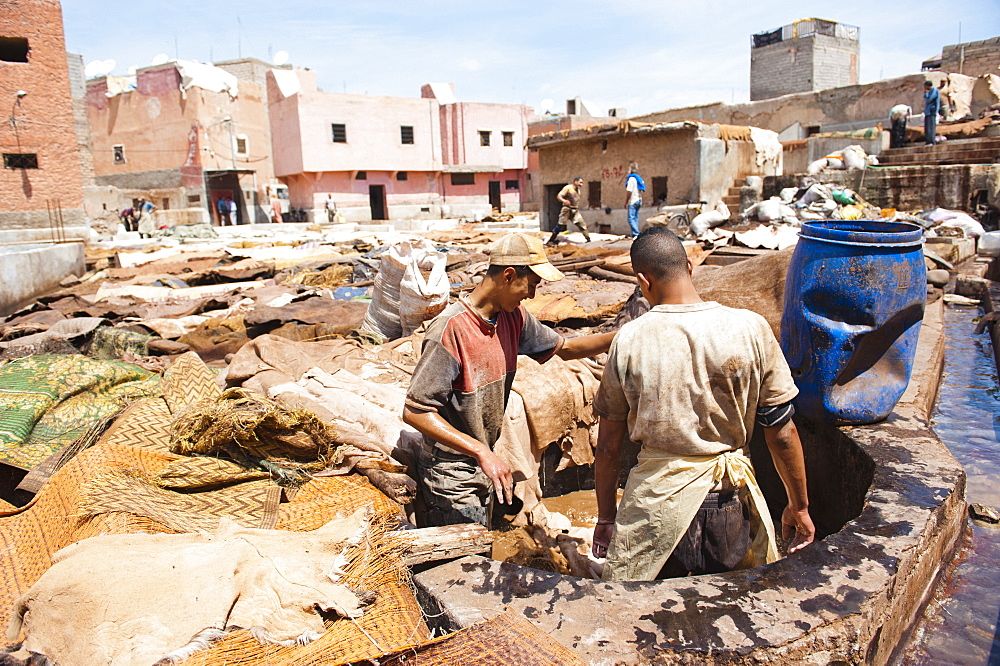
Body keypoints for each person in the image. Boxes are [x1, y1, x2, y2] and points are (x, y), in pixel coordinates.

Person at [591, 226, 814, 582]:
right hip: (729, 503)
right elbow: (782, 432)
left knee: (645, 619)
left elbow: (608, 447)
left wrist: (606, 518)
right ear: (691, 267)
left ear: (642, 281)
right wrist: (798, 506)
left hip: (656, 508)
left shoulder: (630, 339)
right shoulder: (750, 328)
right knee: (732, 613)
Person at [403, 233, 615, 527]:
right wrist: (479, 451)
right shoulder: (450, 331)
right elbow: (415, 411)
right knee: (466, 555)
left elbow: (566, 349)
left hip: (483, 457)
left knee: (485, 543)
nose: (531, 295)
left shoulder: (514, 318)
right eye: (531, 285)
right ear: (509, 275)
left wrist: (622, 337)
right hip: (450, 467)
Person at [547, 177, 591, 244]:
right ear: (575, 181)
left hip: (575, 210)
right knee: (560, 225)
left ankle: (588, 240)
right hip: (567, 210)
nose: (581, 185)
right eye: (580, 182)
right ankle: (551, 239)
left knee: (582, 224)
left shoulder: (578, 190)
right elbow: (559, 196)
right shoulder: (568, 188)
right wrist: (564, 201)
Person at [623, 163, 644, 238]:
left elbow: (629, 191)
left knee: (631, 218)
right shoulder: (639, 179)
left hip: (633, 201)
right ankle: (636, 233)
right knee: (635, 218)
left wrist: (626, 202)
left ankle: (635, 234)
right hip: (639, 199)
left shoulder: (631, 179)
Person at [923, 80, 940, 147]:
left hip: (931, 111)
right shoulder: (930, 91)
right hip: (927, 112)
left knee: (931, 127)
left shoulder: (934, 90)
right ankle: (928, 141)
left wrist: (926, 94)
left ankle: (932, 141)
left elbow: (930, 99)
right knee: (927, 127)